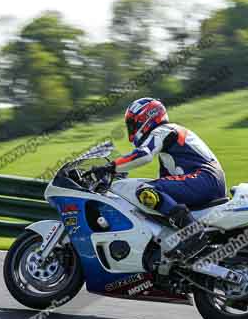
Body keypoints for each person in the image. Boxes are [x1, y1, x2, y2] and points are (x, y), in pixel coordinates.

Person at [92, 97, 227, 259]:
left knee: (145, 191)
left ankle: (194, 234)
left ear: (146, 118)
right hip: (207, 180)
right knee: (154, 195)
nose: (132, 132)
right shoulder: (169, 148)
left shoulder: (163, 130)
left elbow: (143, 154)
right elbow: (164, 184)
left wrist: (110, 166)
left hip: (205, 178)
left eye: (133, 125)